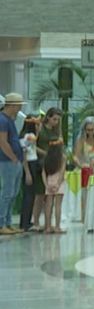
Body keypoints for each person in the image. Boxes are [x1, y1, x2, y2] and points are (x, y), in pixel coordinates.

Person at [34, 109, 64, 232]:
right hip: (42, 161)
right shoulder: (40, 128)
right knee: (40, 193)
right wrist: (46, 153)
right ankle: (36, 221)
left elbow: (61, 144)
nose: (56, 122)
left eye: (58, 120)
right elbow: (32, 144)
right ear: (48, 117)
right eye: (54, 119)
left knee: (51, 196)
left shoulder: (57, 130)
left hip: (55, 162)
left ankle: (51, 224)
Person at [0, 93, 25, 236]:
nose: (20, 107)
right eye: (19, 105)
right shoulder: (2, 120)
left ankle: (8, 222)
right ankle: (1, 223)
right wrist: (13, 157)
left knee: (13, 193)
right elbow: (2, 142)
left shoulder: (10, 120)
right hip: (7, 161)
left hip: (15, 160)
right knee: (7, 193)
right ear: (13, 105)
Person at [18, 116, 40, 232]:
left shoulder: (26, 135)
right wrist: (27, 172)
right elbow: (24, 155)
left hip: (33, 163)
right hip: (29, 165)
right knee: (28, 195)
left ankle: (26, 221)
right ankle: (25, 222)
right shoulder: (28, 136)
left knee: (31, 194)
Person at [40, 138, 66, 235]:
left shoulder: (46, 157)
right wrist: (58, 184)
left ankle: (48, 227)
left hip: (49, 182)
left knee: (48, 205)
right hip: (59, 182)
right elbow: (62, 172)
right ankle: (57, 227)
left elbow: (43, 172)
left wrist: (46, 185)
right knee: (58, 206)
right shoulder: (62, 157)